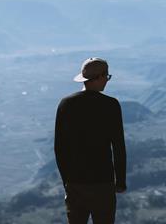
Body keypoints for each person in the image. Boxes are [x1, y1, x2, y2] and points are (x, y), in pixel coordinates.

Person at [54, 57, 127, 224]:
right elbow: (118, 146)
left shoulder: (66, 104)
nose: (107, 81)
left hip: (76, 183)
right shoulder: (111, 105)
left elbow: (60, 148)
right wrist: (120, 181)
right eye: (107, 76)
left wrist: (67, 181)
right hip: (103, 182)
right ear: (100, 77)